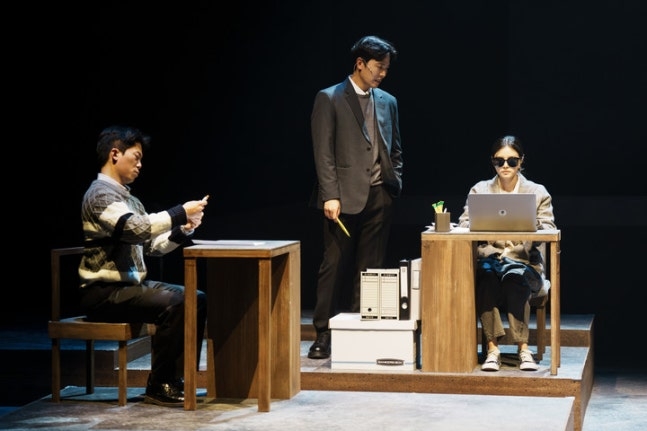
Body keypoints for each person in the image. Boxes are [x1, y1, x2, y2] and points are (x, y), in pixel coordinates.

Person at [78, 125, 209, 406]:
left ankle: (176, 378)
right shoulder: (100, 194)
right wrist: (179, 212)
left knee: (195, 298)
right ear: (115, 154)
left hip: (129, 287)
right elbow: (135, 228)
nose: (140, 165)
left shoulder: (130, 200)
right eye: (135, 157)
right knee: (177, 302)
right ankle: (160, 383)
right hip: (104, 292)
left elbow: (151, 246)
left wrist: (183, 228)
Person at [308, 35, 403, 359]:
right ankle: (323, 333)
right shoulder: (330, 98)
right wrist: (330, 195)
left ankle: (361, 330)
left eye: (386, 69)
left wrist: (393, 183)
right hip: (342, 197)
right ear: (360, 63)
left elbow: (395, 148)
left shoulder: (388, 101)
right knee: (334, 265)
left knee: (371, 269)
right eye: (378, 67)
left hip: (379, 195)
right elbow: (323, 152)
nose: (382, 74)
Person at [458, 135, 557, 371]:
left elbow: (549, 227)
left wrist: (531, 223)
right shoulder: (480, 190)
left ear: (521, 161)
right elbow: (464, 223)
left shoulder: (537, 192)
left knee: (514, 277)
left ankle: (523, 349)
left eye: (512, 161)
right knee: (486, 278)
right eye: (499, 161)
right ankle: (493, 349)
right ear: (492, 162)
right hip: (491, 260)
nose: (505, 166)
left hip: (525, 263)